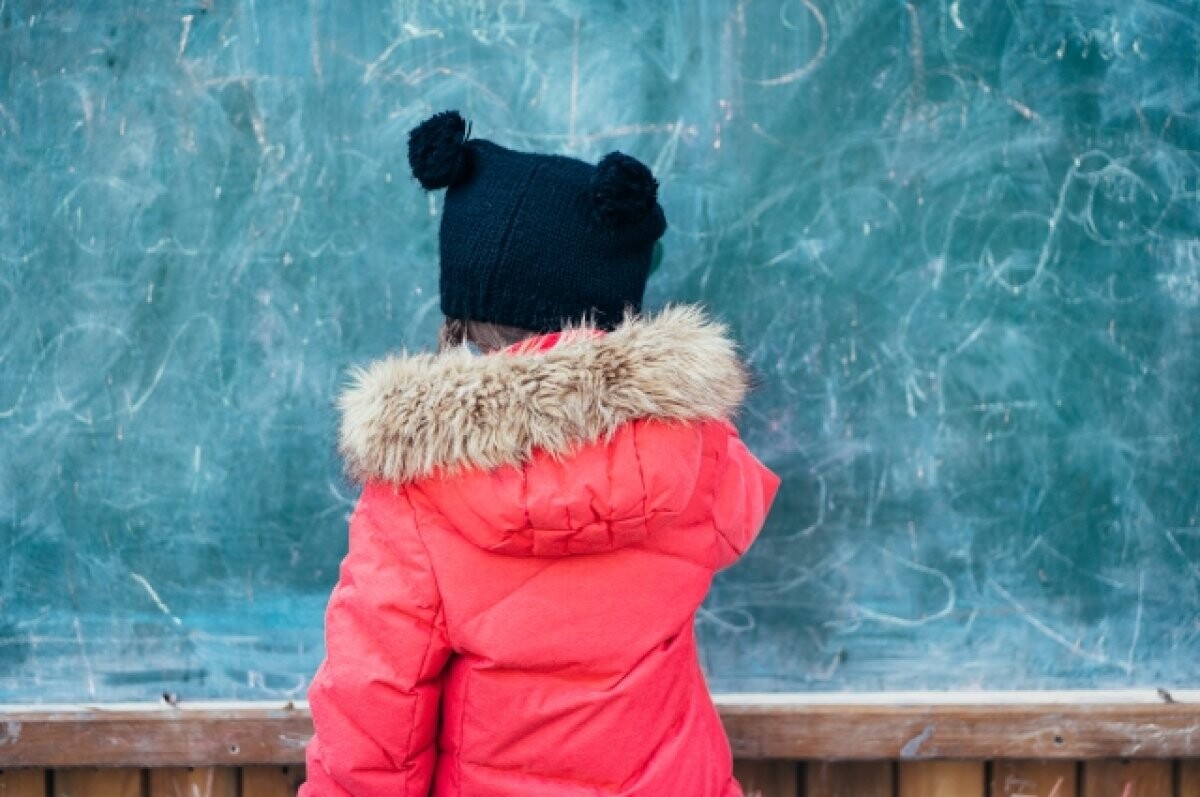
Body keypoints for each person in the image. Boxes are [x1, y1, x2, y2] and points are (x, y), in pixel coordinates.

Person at [300, 110, 779, 797]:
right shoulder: (698, 455)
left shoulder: (417, 494)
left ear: (459, 325)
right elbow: (740, 505)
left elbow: (373, 709)